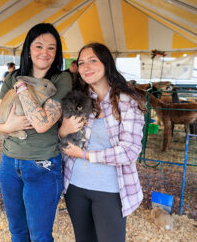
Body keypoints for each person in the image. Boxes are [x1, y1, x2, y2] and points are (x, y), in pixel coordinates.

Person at [0, 23, 72, 241]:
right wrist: (9, 127)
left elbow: (42, 124)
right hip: (9, 163)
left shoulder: (60, 79)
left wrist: (22, 87)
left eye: (51, 48)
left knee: (40, 236)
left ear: (57, 52)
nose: (44, 53)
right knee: (17, 232)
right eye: (38, 46)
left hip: (42, 165)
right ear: (28, 48)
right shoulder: (12, 76)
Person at [58, 43, 145, 242]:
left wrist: (84, 155)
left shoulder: (127, 102)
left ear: (106, 63)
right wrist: (62, 130)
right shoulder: (76, 99)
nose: (86, 67)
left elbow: (130, 152)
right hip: (75, 186)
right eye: (81, 63)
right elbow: (62, 142)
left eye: (92, 60)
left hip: (111, 189)